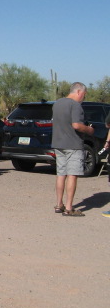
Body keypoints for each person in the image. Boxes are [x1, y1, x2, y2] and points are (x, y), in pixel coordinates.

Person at [52, 82, 95, 216]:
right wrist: (89, 129)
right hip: (73, 144)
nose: (83, 97)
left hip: (58, 144)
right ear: (78, 92)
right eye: (84, 94)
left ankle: (59, 204)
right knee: (72, 175)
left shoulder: (57, 103)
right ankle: (69, 207)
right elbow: (76, 125)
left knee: (61, 174)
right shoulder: (75, 105)